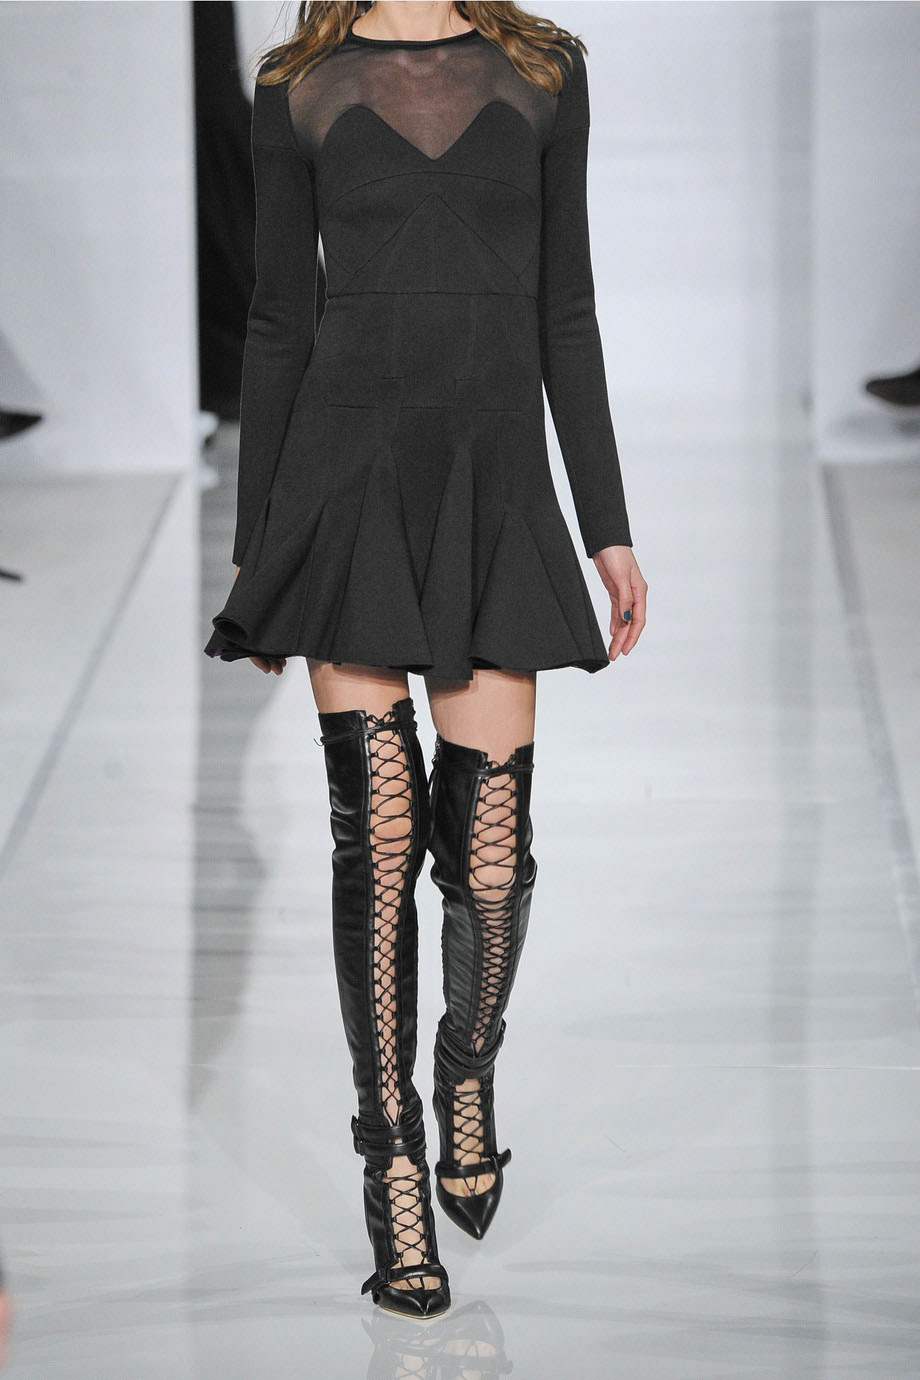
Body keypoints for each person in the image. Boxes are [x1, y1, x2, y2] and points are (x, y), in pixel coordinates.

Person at [203, 0, 647, 1319]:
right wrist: (258, 552)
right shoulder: (298, 84)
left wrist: (608, 527)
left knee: (491, 863)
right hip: (343, 481)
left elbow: (567, 308)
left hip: (492, 482)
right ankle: (390, 1154)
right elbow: (278, 323)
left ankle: (466, 1063)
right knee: (379, 842)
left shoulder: (542, 68)